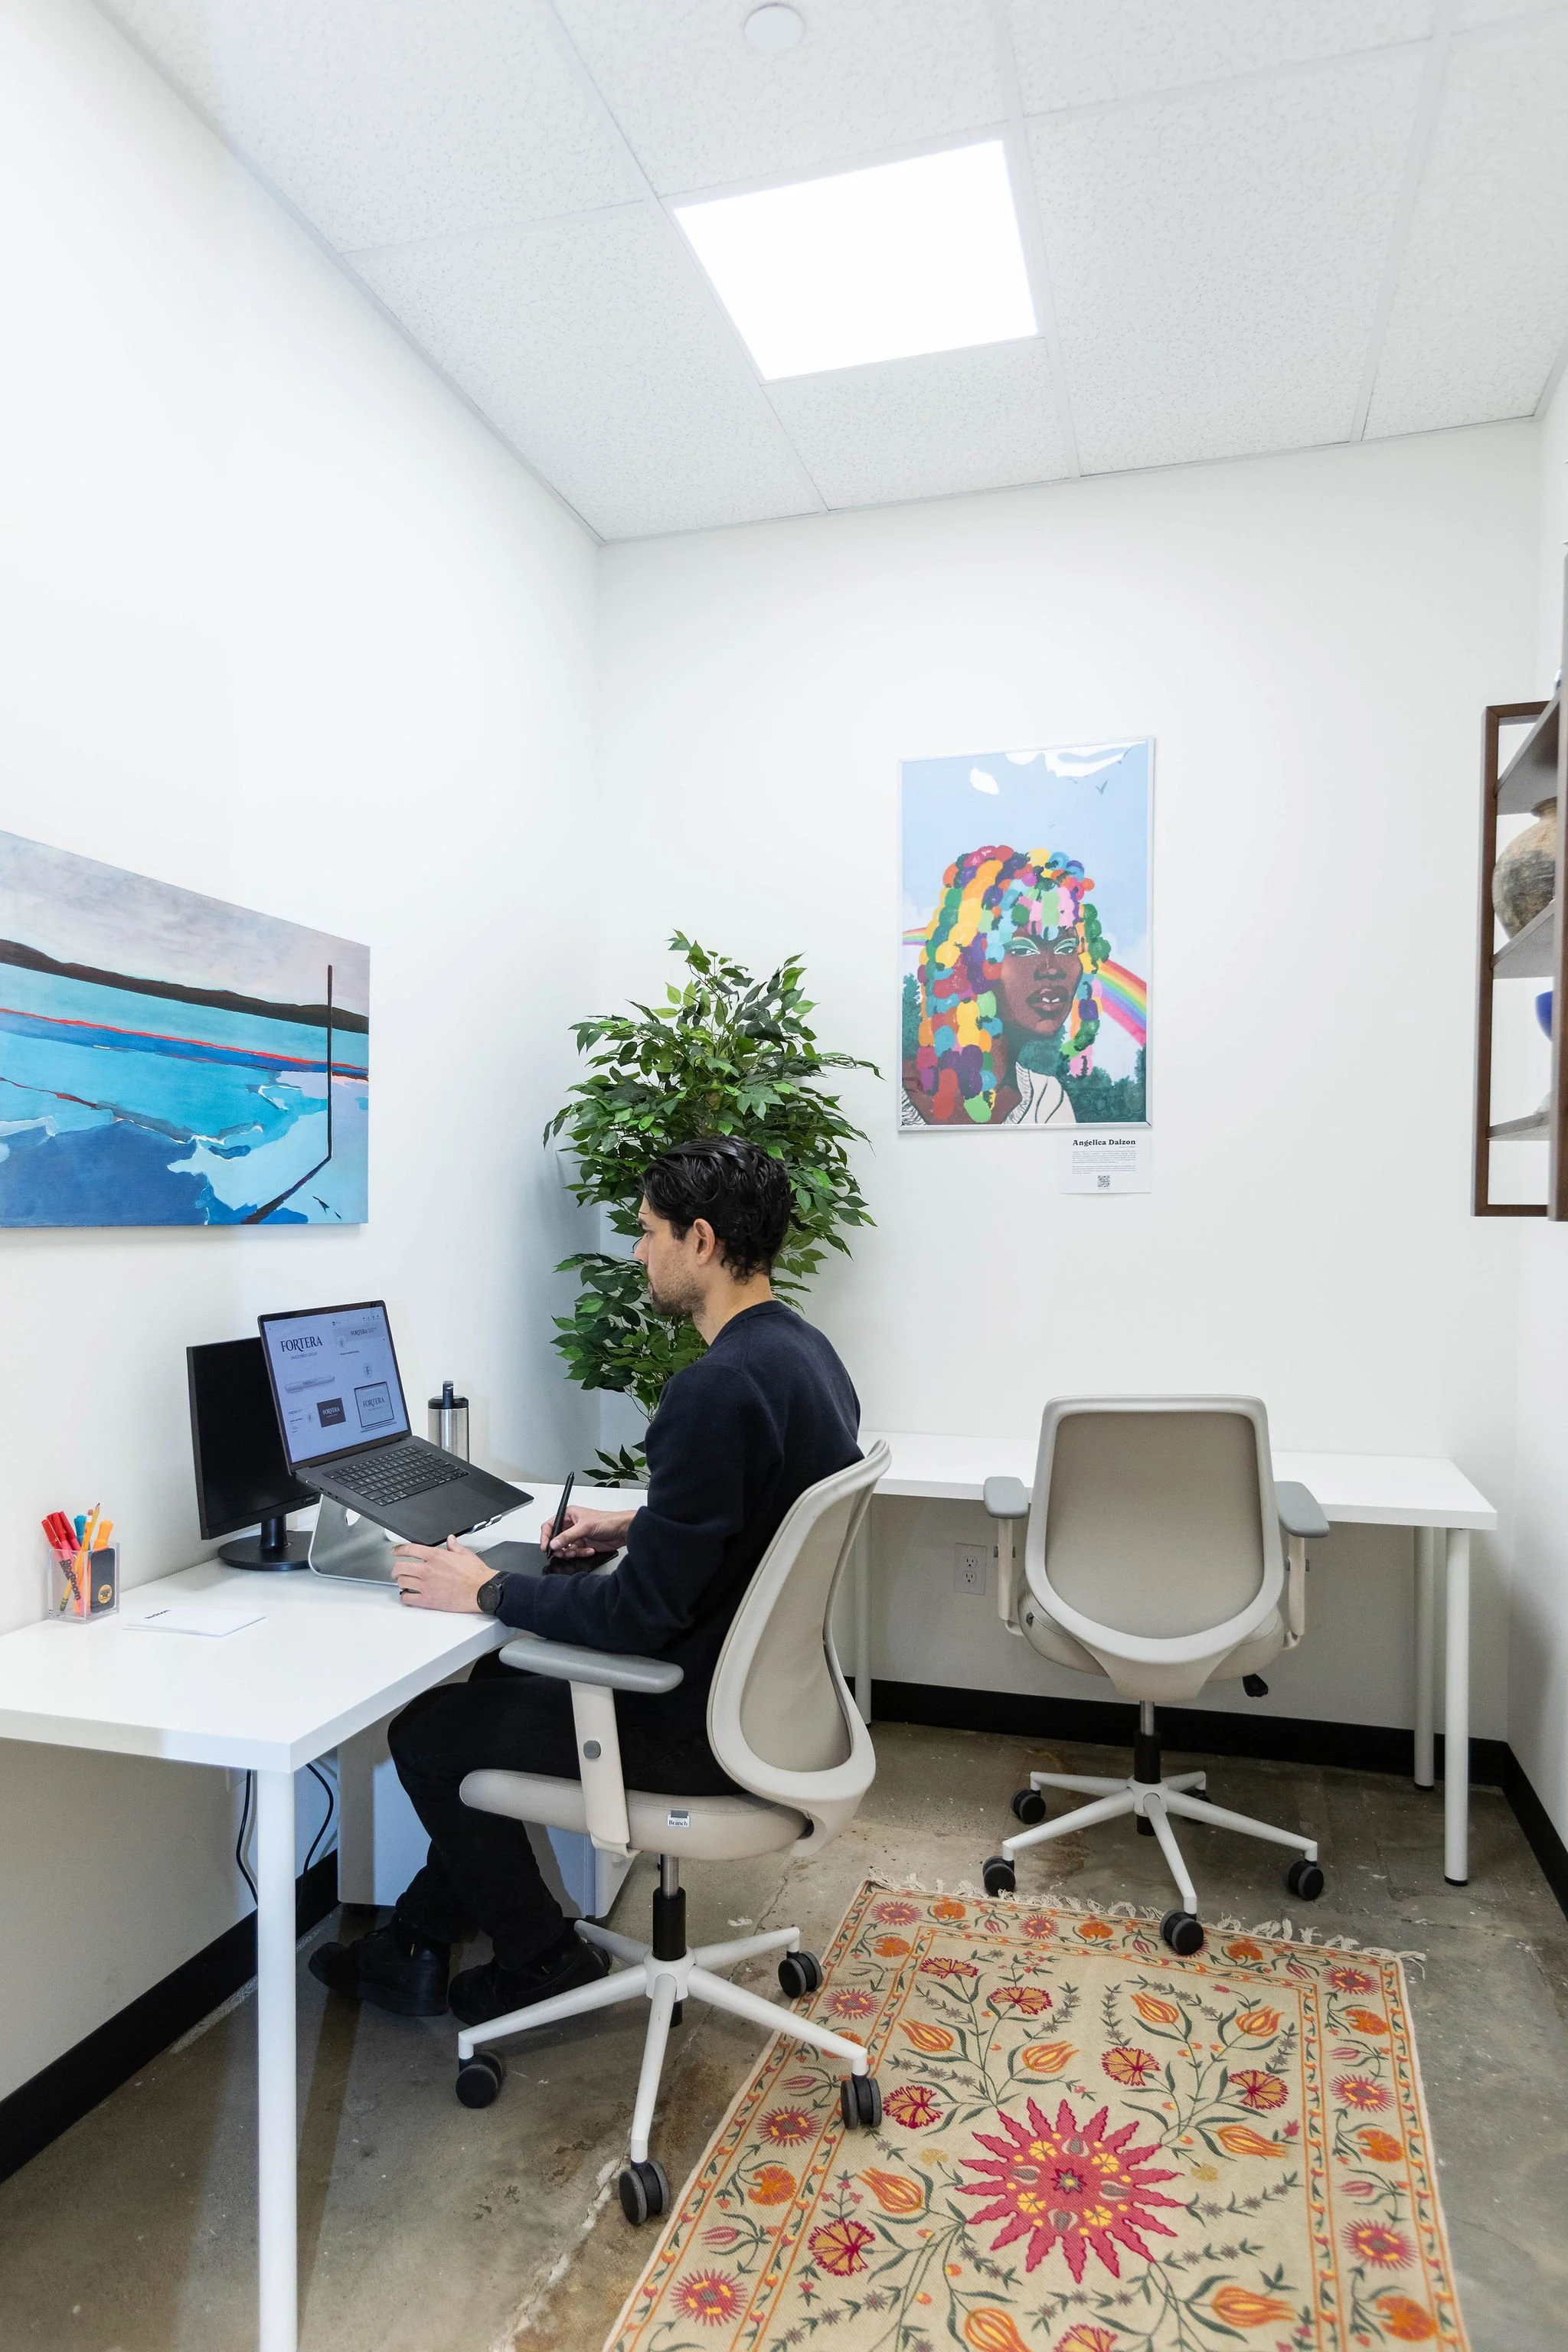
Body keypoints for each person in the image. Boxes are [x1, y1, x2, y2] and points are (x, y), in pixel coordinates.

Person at [310, 1137, 861, 2025]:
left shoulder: (711, 1390)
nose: (638, 1253)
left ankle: (540, 1960)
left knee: (429, 1734)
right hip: (762, 1697)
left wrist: (484, 1590)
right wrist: (631, 1523)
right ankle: (415, 1939)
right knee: (497, 1677)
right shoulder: (804, 1355)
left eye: (647, 1234)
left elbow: (639, 1616)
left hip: (694, 1719)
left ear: (703, 1241)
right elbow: (760, 1514)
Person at [900, 844, 1109, 1125]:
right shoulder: (894, 1093)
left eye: (1067, 946)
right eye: (1022, 949)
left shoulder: (1047, 1102)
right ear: (968, 963)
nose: (1052, 969)